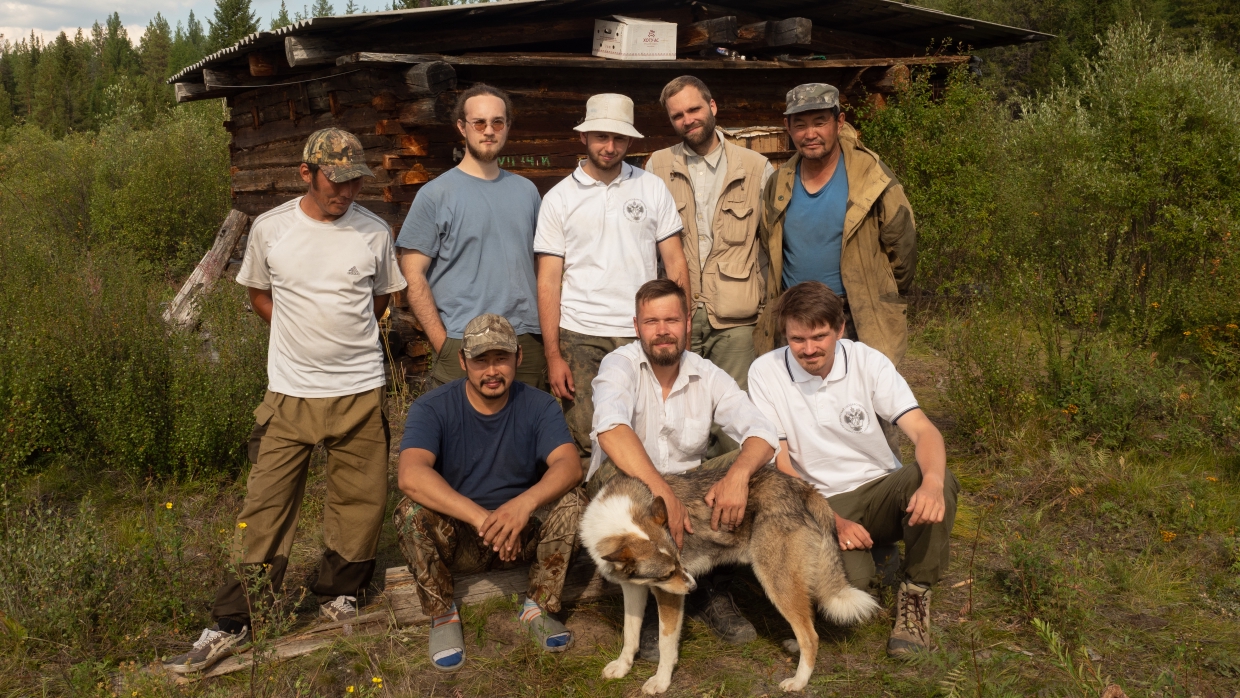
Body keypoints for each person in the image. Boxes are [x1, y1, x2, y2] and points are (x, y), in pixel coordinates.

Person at [165, 128, 407, 675]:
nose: (345, 192)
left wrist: (342, 342)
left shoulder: (374, 233)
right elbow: (257, 293)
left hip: (359, 390)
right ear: (307, 173)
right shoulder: (271, 229)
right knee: (266, 504)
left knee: (359, 499)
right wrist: (296, 333)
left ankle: (339, 593)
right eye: (335, 180)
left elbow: (382, 298)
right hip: (290, 393)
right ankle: (235, 619)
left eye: (354, 181)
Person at [746, 281, 959, 657]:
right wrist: (834, 520)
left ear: (840, 329)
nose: (809, 349)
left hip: (880, 489)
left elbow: (924, 431)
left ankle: (916, 597)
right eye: (797, 339)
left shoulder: (868, 361)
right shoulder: (765, 371)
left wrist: (933, 483)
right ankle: (880, 559)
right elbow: (781, 463)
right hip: (816, 501)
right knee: (847, 600)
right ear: (784, 334)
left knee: (931, 481)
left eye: (819, 336)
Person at [587, 279, 778, 660]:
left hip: (686, 491)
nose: (662, 331)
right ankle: (649, 598)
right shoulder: (620, 365)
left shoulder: (706, 373)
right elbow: (610, 429)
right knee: (626, 481)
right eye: (651, 322)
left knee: (748, 468)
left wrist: (738, 477)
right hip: (627, 490)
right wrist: (664, 493)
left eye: (671, 320)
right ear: (637, 325)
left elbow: (764, 433)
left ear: (687, 322)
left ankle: (709, 586)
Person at [392, 314, 586, 672]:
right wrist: (482, 518)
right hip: (463, 537)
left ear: (519, 359)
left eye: (502, 358)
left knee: (575, 500)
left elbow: (570, 465)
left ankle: (537, 606)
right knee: (410, 512)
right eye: (481, 360)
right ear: (463, 361)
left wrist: (523, 505)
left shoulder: (539, 405)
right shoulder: (433, 407)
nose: (492, 370)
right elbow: (410, 474)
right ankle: (443, 614)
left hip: (520, 536)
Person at [535, 93, 691, 461]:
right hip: (580, 332)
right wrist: (553, 354)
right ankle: (595, 513)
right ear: (583, 138)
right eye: (601, 136)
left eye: (619, 138)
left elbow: (675, 262)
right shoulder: (558, 199)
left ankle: (647, 511)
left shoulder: (651, 188)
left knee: (649, 427)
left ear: (630, 141)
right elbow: (547, 281)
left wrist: (681, 324)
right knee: (591, 433)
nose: (609, 146)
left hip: (642, 329)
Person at [754, 83, 917, 366]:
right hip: (794, 314)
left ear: (839, 122)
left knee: (858, 400)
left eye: (820, 122)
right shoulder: (779, 183)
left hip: (854, 313)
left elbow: (902, 246)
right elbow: (768, 247)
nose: (810, 134)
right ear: (788, 127)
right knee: (797, 401)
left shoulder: (871, 176)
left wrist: (881, 291)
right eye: (800, 125)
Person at [397, 84, 546, 389]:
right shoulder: (435, 195)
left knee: (525, 433)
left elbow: (541, 267)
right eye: (479, 123)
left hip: (525, 341)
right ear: (462, 128)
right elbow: (412, 275)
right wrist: (444, 344)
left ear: (506, 128)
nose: (488, 131)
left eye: (497, 122)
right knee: (463, 435)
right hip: (463, 339)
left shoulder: (527, 192)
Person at [645, 76, 775, 398]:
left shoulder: (757, 168)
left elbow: (775, 244)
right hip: (676, 314)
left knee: (733, 414)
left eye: (693, 109)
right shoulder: (657, 167)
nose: (687, 120)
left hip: (737, 320)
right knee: (680, 407)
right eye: (677, 115)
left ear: (712, 106)